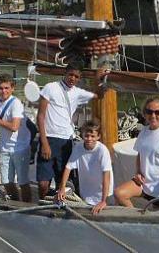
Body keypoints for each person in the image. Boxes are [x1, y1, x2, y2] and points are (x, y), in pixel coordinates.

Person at [36, 63, 107, 199]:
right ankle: (42, 203)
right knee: (43, 184)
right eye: (70, 75)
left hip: (66, 140)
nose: (72, 78)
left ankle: (58, 206)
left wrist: (98, 79)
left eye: (76, 76)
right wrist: (44, 142)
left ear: (79, 78)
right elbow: (40, 115)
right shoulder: (50, 88)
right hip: (49, 138)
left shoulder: (77, 93)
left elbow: (98, 95)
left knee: (61, 181)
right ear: (65, 73)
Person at [114, 96, 159, 209]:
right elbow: (139, 155)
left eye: (158, 112)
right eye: (149, 112)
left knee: (158, 221)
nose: (153, 116)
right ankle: (136, 218)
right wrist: (138, 172)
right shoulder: (143, 132)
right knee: (119, 193)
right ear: (145, 113)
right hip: (144, 183)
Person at [0, 74, 32, 202]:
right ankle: (15, 202)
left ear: (12, 88)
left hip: (20, 148)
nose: (4, 91)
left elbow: (14, 126)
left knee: (23, 182)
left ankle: (27, 206)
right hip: (4, 147)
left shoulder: (16, 104)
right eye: (1, 88)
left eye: (7, 88)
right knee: (6, 181)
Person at [57, 119, 113, 215]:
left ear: (98, 136)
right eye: (86, 136)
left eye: (92, 136)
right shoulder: (78, 148)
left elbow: (106, 176)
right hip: (86, 195)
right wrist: (62, 188)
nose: (89, 139)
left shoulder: (102, 151)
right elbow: (68, 168)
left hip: (104, 195)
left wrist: (104, 201)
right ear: (82, 135)